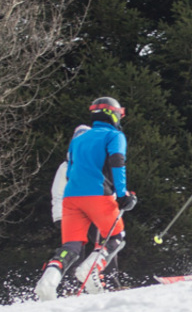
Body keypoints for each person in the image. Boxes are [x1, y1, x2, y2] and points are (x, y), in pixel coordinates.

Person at [35, 99, 136, 301]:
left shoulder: (78, 140)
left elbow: (70, 170)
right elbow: (117, 162)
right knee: (116, 236)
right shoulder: (114, 135)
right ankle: (91, 271)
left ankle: (48, 281)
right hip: (97, 194)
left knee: (71, 246)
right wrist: (122, 194)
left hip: (71, 197)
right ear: (113, 114)